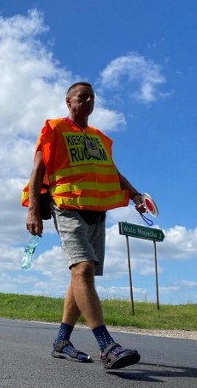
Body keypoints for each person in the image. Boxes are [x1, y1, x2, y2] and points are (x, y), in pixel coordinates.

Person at [22, 81, 145, 370]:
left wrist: (135, 194)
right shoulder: (55, 128)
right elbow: (38, 169)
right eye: (82, 96)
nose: (88, 100)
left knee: (80, 276)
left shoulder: (99, 137)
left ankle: (61, 341)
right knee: (83, 268)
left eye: (92, 97)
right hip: (67, 207)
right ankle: (107, 346)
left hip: (96, 212)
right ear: (68, 101)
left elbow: (112, 172)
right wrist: (33, 211)